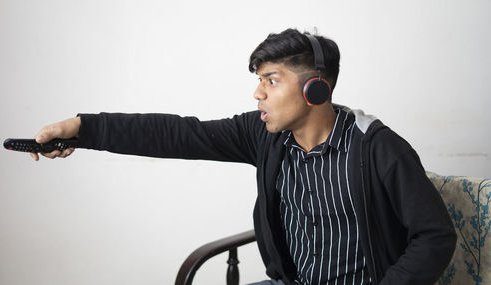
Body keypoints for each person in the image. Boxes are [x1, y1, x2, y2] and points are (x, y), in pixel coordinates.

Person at [29, 28, 456, 285]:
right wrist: (82, 129)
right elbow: (178, 134)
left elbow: (434, 236)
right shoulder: (264, 135)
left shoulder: (378, 147)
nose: (258, 93)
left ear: (316, 88)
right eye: (259, 80)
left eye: (271, 80)